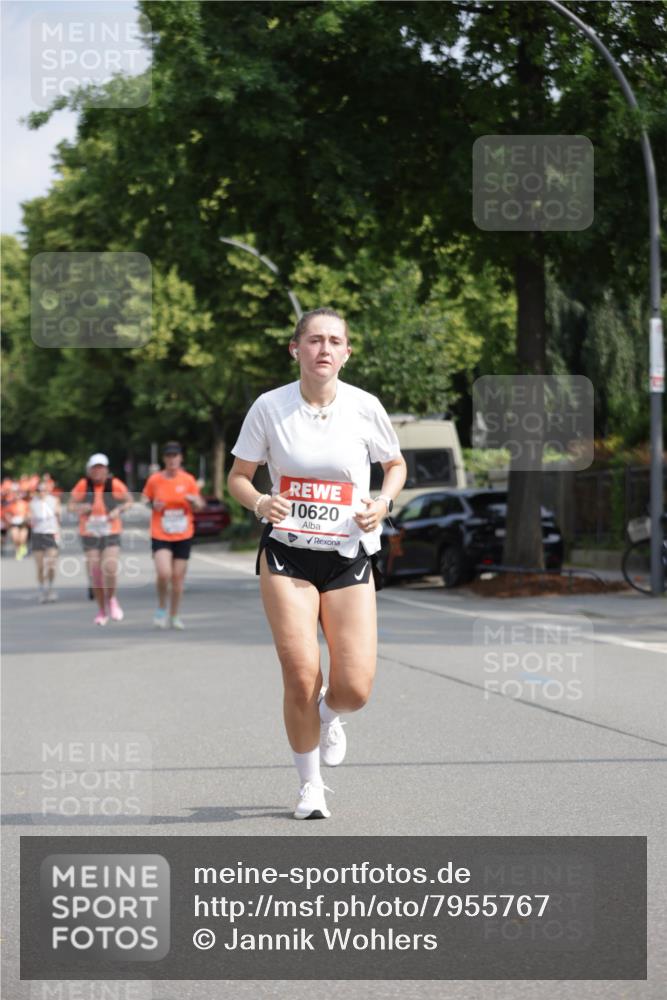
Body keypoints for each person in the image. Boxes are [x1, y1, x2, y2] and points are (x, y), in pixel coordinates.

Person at [228, 307, 407, 820]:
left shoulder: (365, 407)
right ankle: (310, 787)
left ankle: (331, 716)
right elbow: (238, 477)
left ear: (347, 353)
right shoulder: (269, 407)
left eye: (335, 341)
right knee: (301, 675)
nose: (324, 349)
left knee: (354, 688)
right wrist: (261, 502)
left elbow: (394, 465)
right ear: (296, 349)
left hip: (348, 554)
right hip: (287, 554)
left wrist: (383, 501)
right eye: (314, 341)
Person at [142, 442, 204, 630]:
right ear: (164, 459)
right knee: (164, 573)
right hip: (161, 532)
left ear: (180, 458)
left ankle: (175, 615)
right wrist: (152, 505)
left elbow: (200, 505)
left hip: (183, 534)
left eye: (175, 456)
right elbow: (145, 499)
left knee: (177, 578)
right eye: (168, 456)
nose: (172, 459)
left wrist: (194, 501)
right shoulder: (155, 480)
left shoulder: (188, 480)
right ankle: (161, 608)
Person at [69, 454, 132, 626]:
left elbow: (128, 501)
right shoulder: (84, 485)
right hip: (90, 532)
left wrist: (118, 511)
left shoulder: (114, 484)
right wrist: (81, 508)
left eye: (101, 467)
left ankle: (111, 599)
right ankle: (101, 610)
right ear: (89, 470)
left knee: (110, 567)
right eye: (95, 468)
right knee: (95, 572)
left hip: (110, 530)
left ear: (106, 469)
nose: (98, 471)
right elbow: (71, 505)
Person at [29, 479, 61, 602]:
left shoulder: (54, 501)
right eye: (39, 490)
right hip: (38, 535)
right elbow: (30, 518)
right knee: (40, 566)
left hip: (51, 534)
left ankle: (51, 587)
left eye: (43, 490)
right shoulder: (33, 503)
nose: (41, 492)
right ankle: (42, 590)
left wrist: (58, 533)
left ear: (47, 490)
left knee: (51, 564)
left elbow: (59, 517)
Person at [6, 486, 30, 560]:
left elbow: (29, 513)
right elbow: (7, 514)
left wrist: (26, 518)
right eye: (15, 494)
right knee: (15, 538)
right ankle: (17, 552)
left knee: (22, 539)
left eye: (18, 494)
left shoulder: (25, 504)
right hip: (14, 524)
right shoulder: (11, 504)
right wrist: (9, 519)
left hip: (23, 523)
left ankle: (23, 547)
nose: (16, 496)